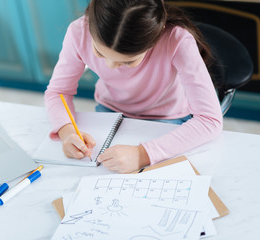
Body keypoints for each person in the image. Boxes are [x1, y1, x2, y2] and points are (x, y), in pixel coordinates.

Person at [44, 0, 223, 173]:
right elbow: (58, 91)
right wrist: (66, 132)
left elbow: (210, 120)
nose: (111, 66)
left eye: (128, 61)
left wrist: (142, 155)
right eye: (99, 52)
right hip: (110, 112)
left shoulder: (177, 40)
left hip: (167, 118)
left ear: (156, 37)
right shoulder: (79, 32)